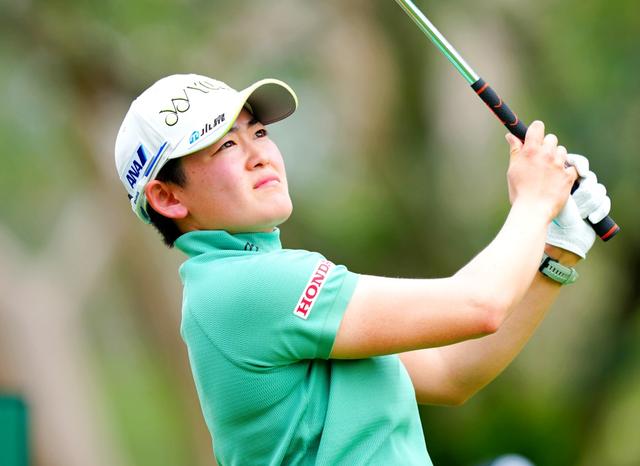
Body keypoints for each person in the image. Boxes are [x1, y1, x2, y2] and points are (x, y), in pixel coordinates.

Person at [114, 74, 611, 465]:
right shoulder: (241, 286)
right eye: (225, 145)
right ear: (168, 197)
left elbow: (450, 372)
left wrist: (558, 248)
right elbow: (480, 305)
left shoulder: (255, 283)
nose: (259, 155)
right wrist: (533, 203)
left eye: (258, 132)